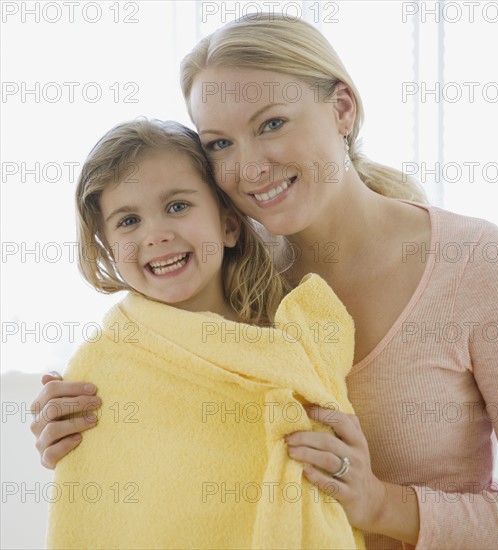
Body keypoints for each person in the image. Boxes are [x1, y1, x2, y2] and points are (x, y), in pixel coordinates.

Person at [31, 14, 498, 549]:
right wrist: (90, 427)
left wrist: (379, 504)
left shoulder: (475, 263)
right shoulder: (221, 264)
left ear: (342, 109)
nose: (250, 167)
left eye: (272, 124)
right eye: (219, 144)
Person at [42, 117, 363, 549]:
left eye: (177, 206)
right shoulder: (102, 367)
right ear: (109, 249)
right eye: (128, 221)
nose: (156, 235)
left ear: (229, 225)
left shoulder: (296, 341)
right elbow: (95, 511)